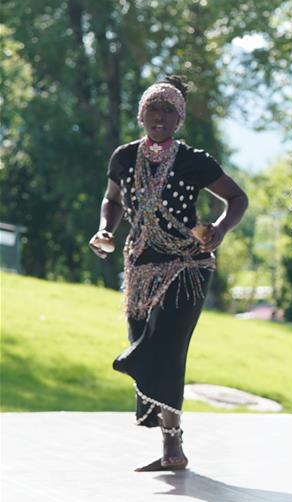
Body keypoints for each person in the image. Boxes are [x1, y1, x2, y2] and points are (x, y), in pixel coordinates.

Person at [89, 75, 248, 471]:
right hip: (140, 267)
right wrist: (105, 228)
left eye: (168, 111)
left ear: (179, 120)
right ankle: (170, 447)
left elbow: (237, 198)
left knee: (167, 346)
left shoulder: (195, 161)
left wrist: (220, 230)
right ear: (142, 115)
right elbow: (112, 200)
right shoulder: (124, 157)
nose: (159, 117)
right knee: (152, 346)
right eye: (152, 109)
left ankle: (141, 368)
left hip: (188, 265)